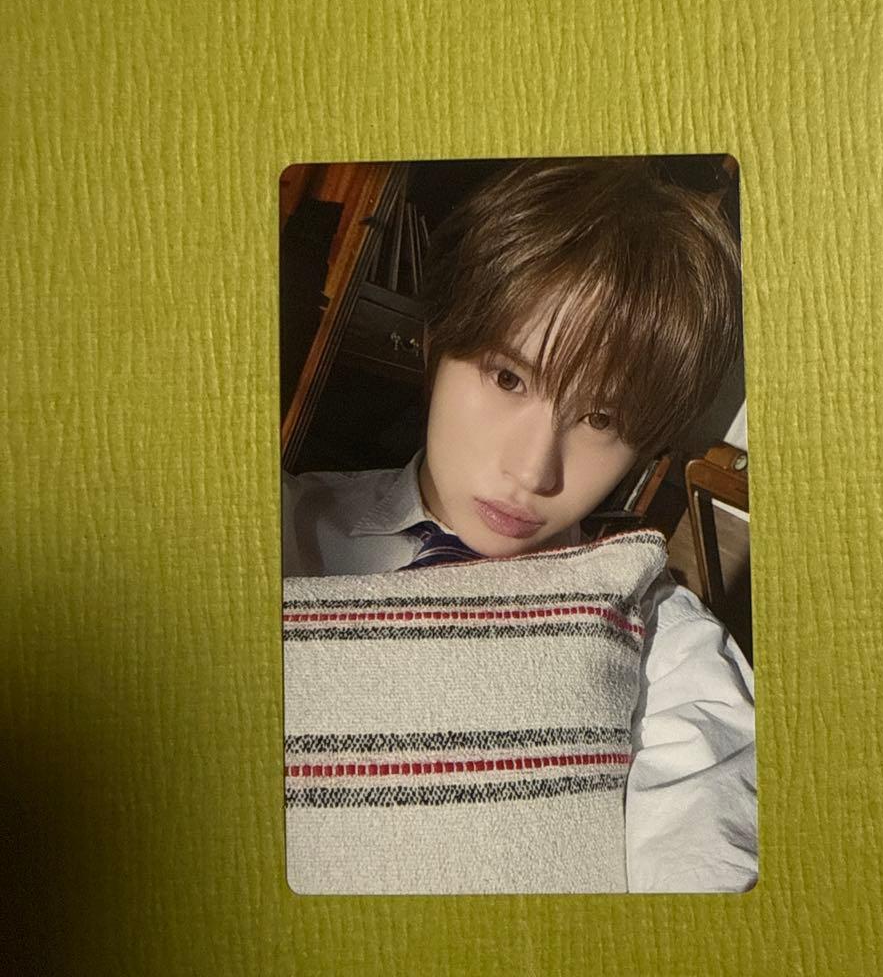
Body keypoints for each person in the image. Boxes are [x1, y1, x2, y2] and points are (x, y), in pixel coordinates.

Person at [282, 158, 757, 892]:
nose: (535, 471)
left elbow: (706, 844)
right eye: (509, 378)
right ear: (437, 343)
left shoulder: (668, 648)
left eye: (601, 419)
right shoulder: (279, 535)